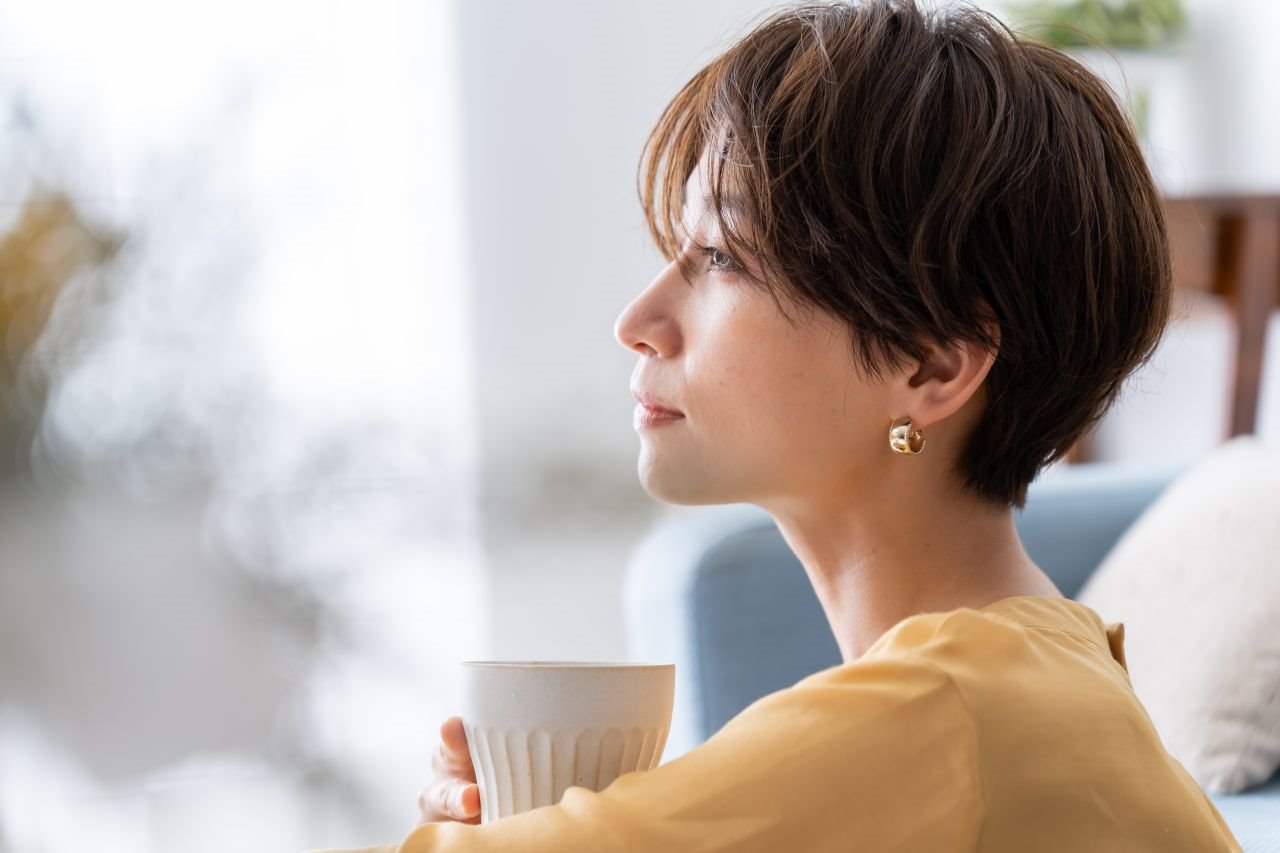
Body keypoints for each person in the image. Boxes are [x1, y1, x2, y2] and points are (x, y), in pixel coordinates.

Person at [316, 0, 1243, 849]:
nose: (637, 319)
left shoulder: (943, 710)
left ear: (933, 363)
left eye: (721, 254)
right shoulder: (1037, 666)